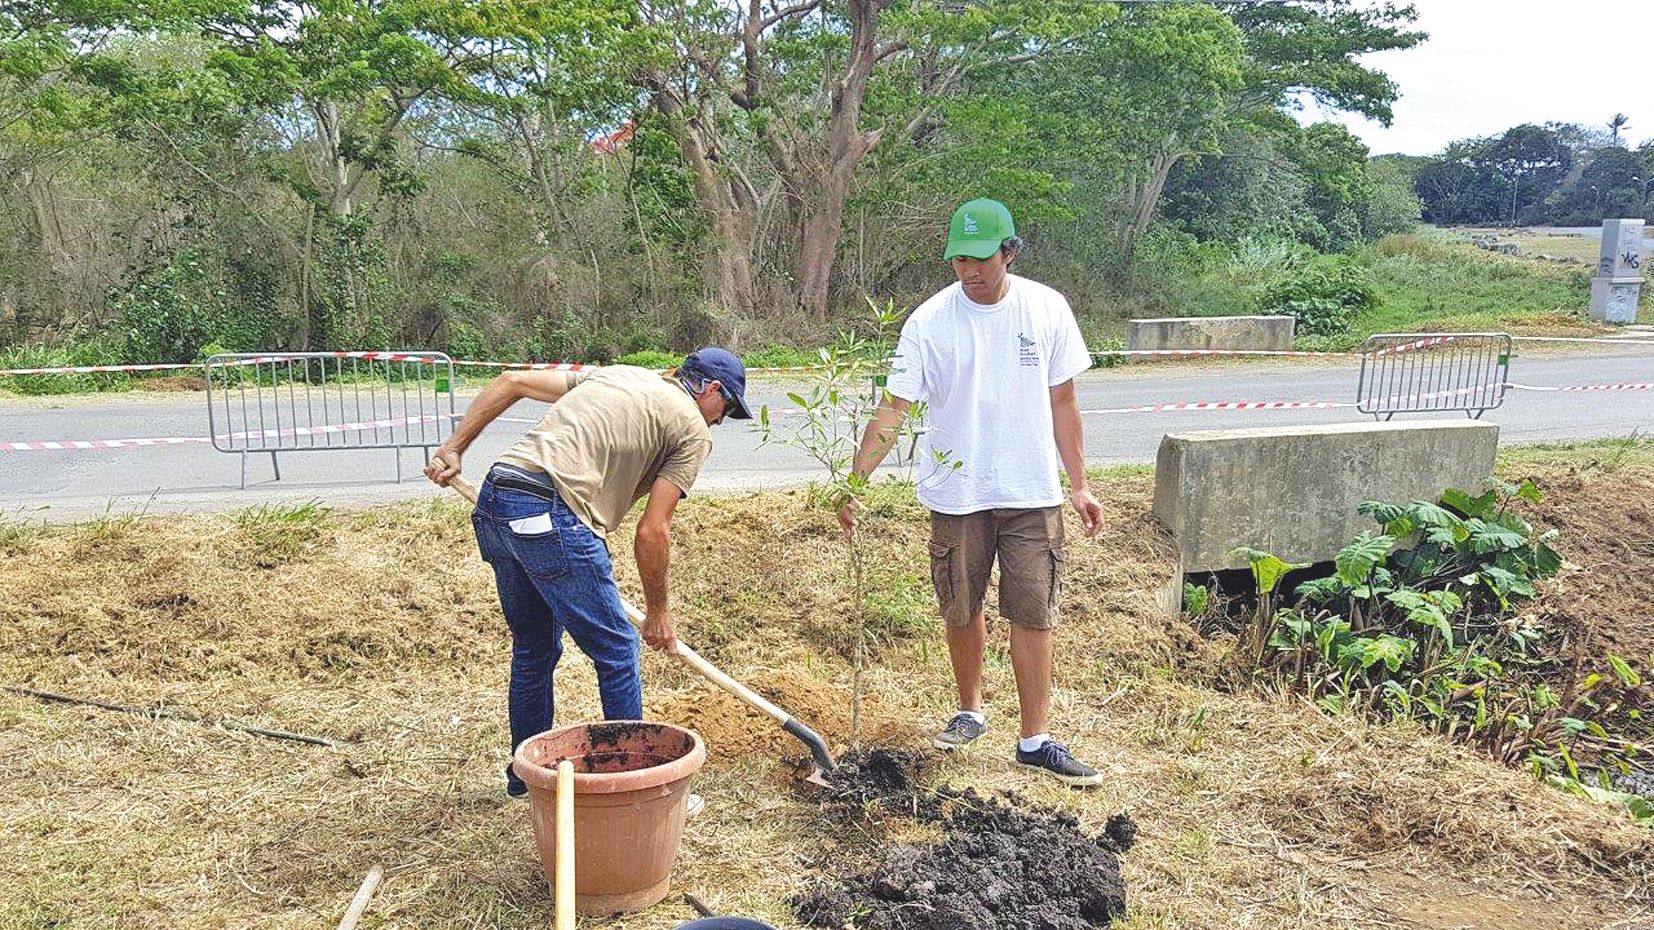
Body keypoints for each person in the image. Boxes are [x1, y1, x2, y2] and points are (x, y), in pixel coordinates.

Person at [839, 197, 1105, 786]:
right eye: (958, 259)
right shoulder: (928, 321)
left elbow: (1064, 402)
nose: (969, 271)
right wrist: (854, 482)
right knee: (961, 604)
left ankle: (1035, 739)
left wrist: (1080, 484)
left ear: (1009, 251)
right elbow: (894, 407)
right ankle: (970, 712)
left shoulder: (1047, 309)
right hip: (956, 490)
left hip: (1032, 489)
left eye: (981, 258)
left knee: (1033, 610)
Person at [425, 349, 751, 797]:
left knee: (534, 648)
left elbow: (511, 381)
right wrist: (658, 612)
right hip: (549, 513)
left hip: (497, 499)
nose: (720, 421)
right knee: (617, 650)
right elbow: (653, 531)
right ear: (711, 389)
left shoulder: (621, 376)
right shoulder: (693, 429)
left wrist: (454, 448)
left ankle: (524, 783)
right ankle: (635, 789)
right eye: (727, 408)